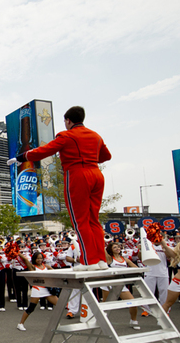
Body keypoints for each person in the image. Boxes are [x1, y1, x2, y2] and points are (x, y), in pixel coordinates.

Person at [7, 106, 111, 269]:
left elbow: (45, 151)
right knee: (94, 220)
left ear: (68, 121)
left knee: (80, 220)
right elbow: (106, 156)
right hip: (96, 174)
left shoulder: (67, 135)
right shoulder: (95, 135)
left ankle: (88, 261)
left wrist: (22, 156)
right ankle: (101, 260)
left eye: (65, 121)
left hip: (78, 174)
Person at [102, 242, 141, 330]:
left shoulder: (125, 259)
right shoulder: (109, 258)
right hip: (109, 284)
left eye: (118, 247)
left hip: (121, 285)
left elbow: (136, 268)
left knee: (133, 303)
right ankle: (101, 321)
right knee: (105, 305)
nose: (117, 248)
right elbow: (103, 250)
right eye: (114, 247)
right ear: (111, 250)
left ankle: (133, 320)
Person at [16, 252, 59, 331]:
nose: (40, 260)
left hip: (47, 288)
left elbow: (55, 273)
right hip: (38, 289)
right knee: (31, 308)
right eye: (38, 258)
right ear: (34, 259)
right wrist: (17, 253)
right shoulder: (33, 267)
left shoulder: (46, 266)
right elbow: (25, 259)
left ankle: (57, 324)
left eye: (41, 258)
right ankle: (20, 324)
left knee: (59, 305)